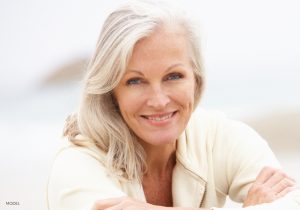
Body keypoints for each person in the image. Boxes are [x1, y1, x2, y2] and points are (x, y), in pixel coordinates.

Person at [47, 1, 300, 210]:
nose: (158, 100)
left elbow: (291, 200)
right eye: (135, 81)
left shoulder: (218, 137)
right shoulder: (77, 161)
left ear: (196, 79)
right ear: (111, 90)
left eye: (173, 76)